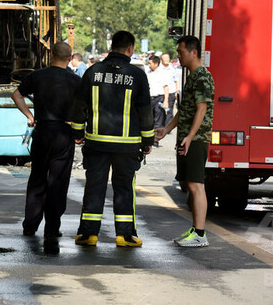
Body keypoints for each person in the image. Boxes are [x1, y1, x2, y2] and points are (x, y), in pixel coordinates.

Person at [70, 30, 153, 248]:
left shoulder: (92, 71)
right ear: (130, 49)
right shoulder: (137, 75)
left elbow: (79, 106)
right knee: (124, 188)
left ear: (111, 46)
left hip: (96, 143)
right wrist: (147, 141)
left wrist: (78, 133)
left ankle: (89, 235)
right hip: (127, 146)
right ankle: (124, 236)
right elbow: (145, 111)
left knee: (94, 186)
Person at [11, 41, 81, 254]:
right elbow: (85, 107)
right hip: (63, 134)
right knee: (58, 181)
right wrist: (76, 126)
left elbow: (16, 94)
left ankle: (30, 225)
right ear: (70, 58)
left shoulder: (37, 76)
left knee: (38, 178)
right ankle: (52, 228)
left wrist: (30, 116)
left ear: (51, 56)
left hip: (42, 132)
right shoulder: (76, 81)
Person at [156, 35, 214, 248]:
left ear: (194, 52)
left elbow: (202, 109)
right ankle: (195, 229)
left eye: (181, 52)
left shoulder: (202, 77)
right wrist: (167, 130)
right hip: (188, 139)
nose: (178, 56)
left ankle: (200, 234)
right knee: (190, 184)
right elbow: (185, 111)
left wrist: (189, 137)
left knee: (197, 185)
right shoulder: (193, 77)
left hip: (196, 140)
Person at [146, 55, 169, 145]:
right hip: (149, 99)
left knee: (158, 120)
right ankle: (148, 139)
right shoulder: (148, 73)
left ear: (156, 64)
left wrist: (166, 101)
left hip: (159, 98)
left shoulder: (162, 73)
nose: (149, 65)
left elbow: (166, 88)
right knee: (149, 119)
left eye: (150, 63)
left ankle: (155, 140)